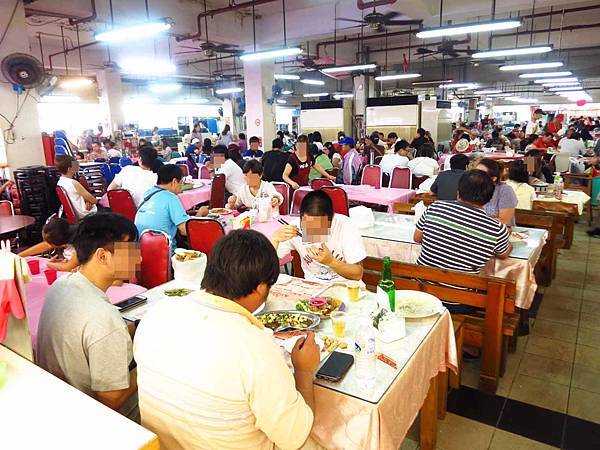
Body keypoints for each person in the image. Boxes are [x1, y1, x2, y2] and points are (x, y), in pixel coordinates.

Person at [133, 229, 319, 449]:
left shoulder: (157, 312)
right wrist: (304, 371)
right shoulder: (254, 345)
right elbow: (294, 437)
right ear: (260, 289)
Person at [37, 213, 140, 418]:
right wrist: (149, 359)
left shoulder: (61, 284)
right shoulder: (104, 318)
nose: (139, 258)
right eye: (131, 251)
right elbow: (111, 400)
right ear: (102, 256)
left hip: (60, 404)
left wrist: (133, 329)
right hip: (98, 417)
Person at [414, 170, 511, 276]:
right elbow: (503, 254)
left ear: (458, 193)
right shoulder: (497, 229)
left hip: (419, 284)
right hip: (460, 291)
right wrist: (507, 238)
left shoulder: (435, 207)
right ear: (489, 199)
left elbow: (417, 238)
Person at [272, 190, 366, 282]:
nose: (313, 233)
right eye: (308, 227)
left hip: (346, 288)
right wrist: (275, 239)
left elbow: (357, 274)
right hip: (312, 289)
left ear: (332, 218)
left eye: (319, 227)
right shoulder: (294, 228)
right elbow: (267, 265)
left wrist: (331, 261)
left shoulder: (346, 226)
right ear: (300, 216)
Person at [135, 165, 206, 252]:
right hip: (164, 255)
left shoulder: (147, 194)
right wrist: (200, 213)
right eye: (181, 183)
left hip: (142, 251)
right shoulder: (171, 198)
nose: (181, 187)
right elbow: (185, 230)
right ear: (174, 181)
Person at [475, 158, 518, 227]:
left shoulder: (505, 190)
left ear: (493, 178)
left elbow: (504, 221)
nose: (475, 176)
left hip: (501, 231)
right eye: (475, 172)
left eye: (481, 174)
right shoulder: (473, 188)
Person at [56, 155, 98, 220]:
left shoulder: (60, 182)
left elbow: (78, 197)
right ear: (69, 169)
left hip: (78, 215)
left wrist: (87, 201)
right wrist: (90, 201)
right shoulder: (73, 183)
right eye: (75, 164)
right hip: (88, 214)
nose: (77, 165)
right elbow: (94, 200)